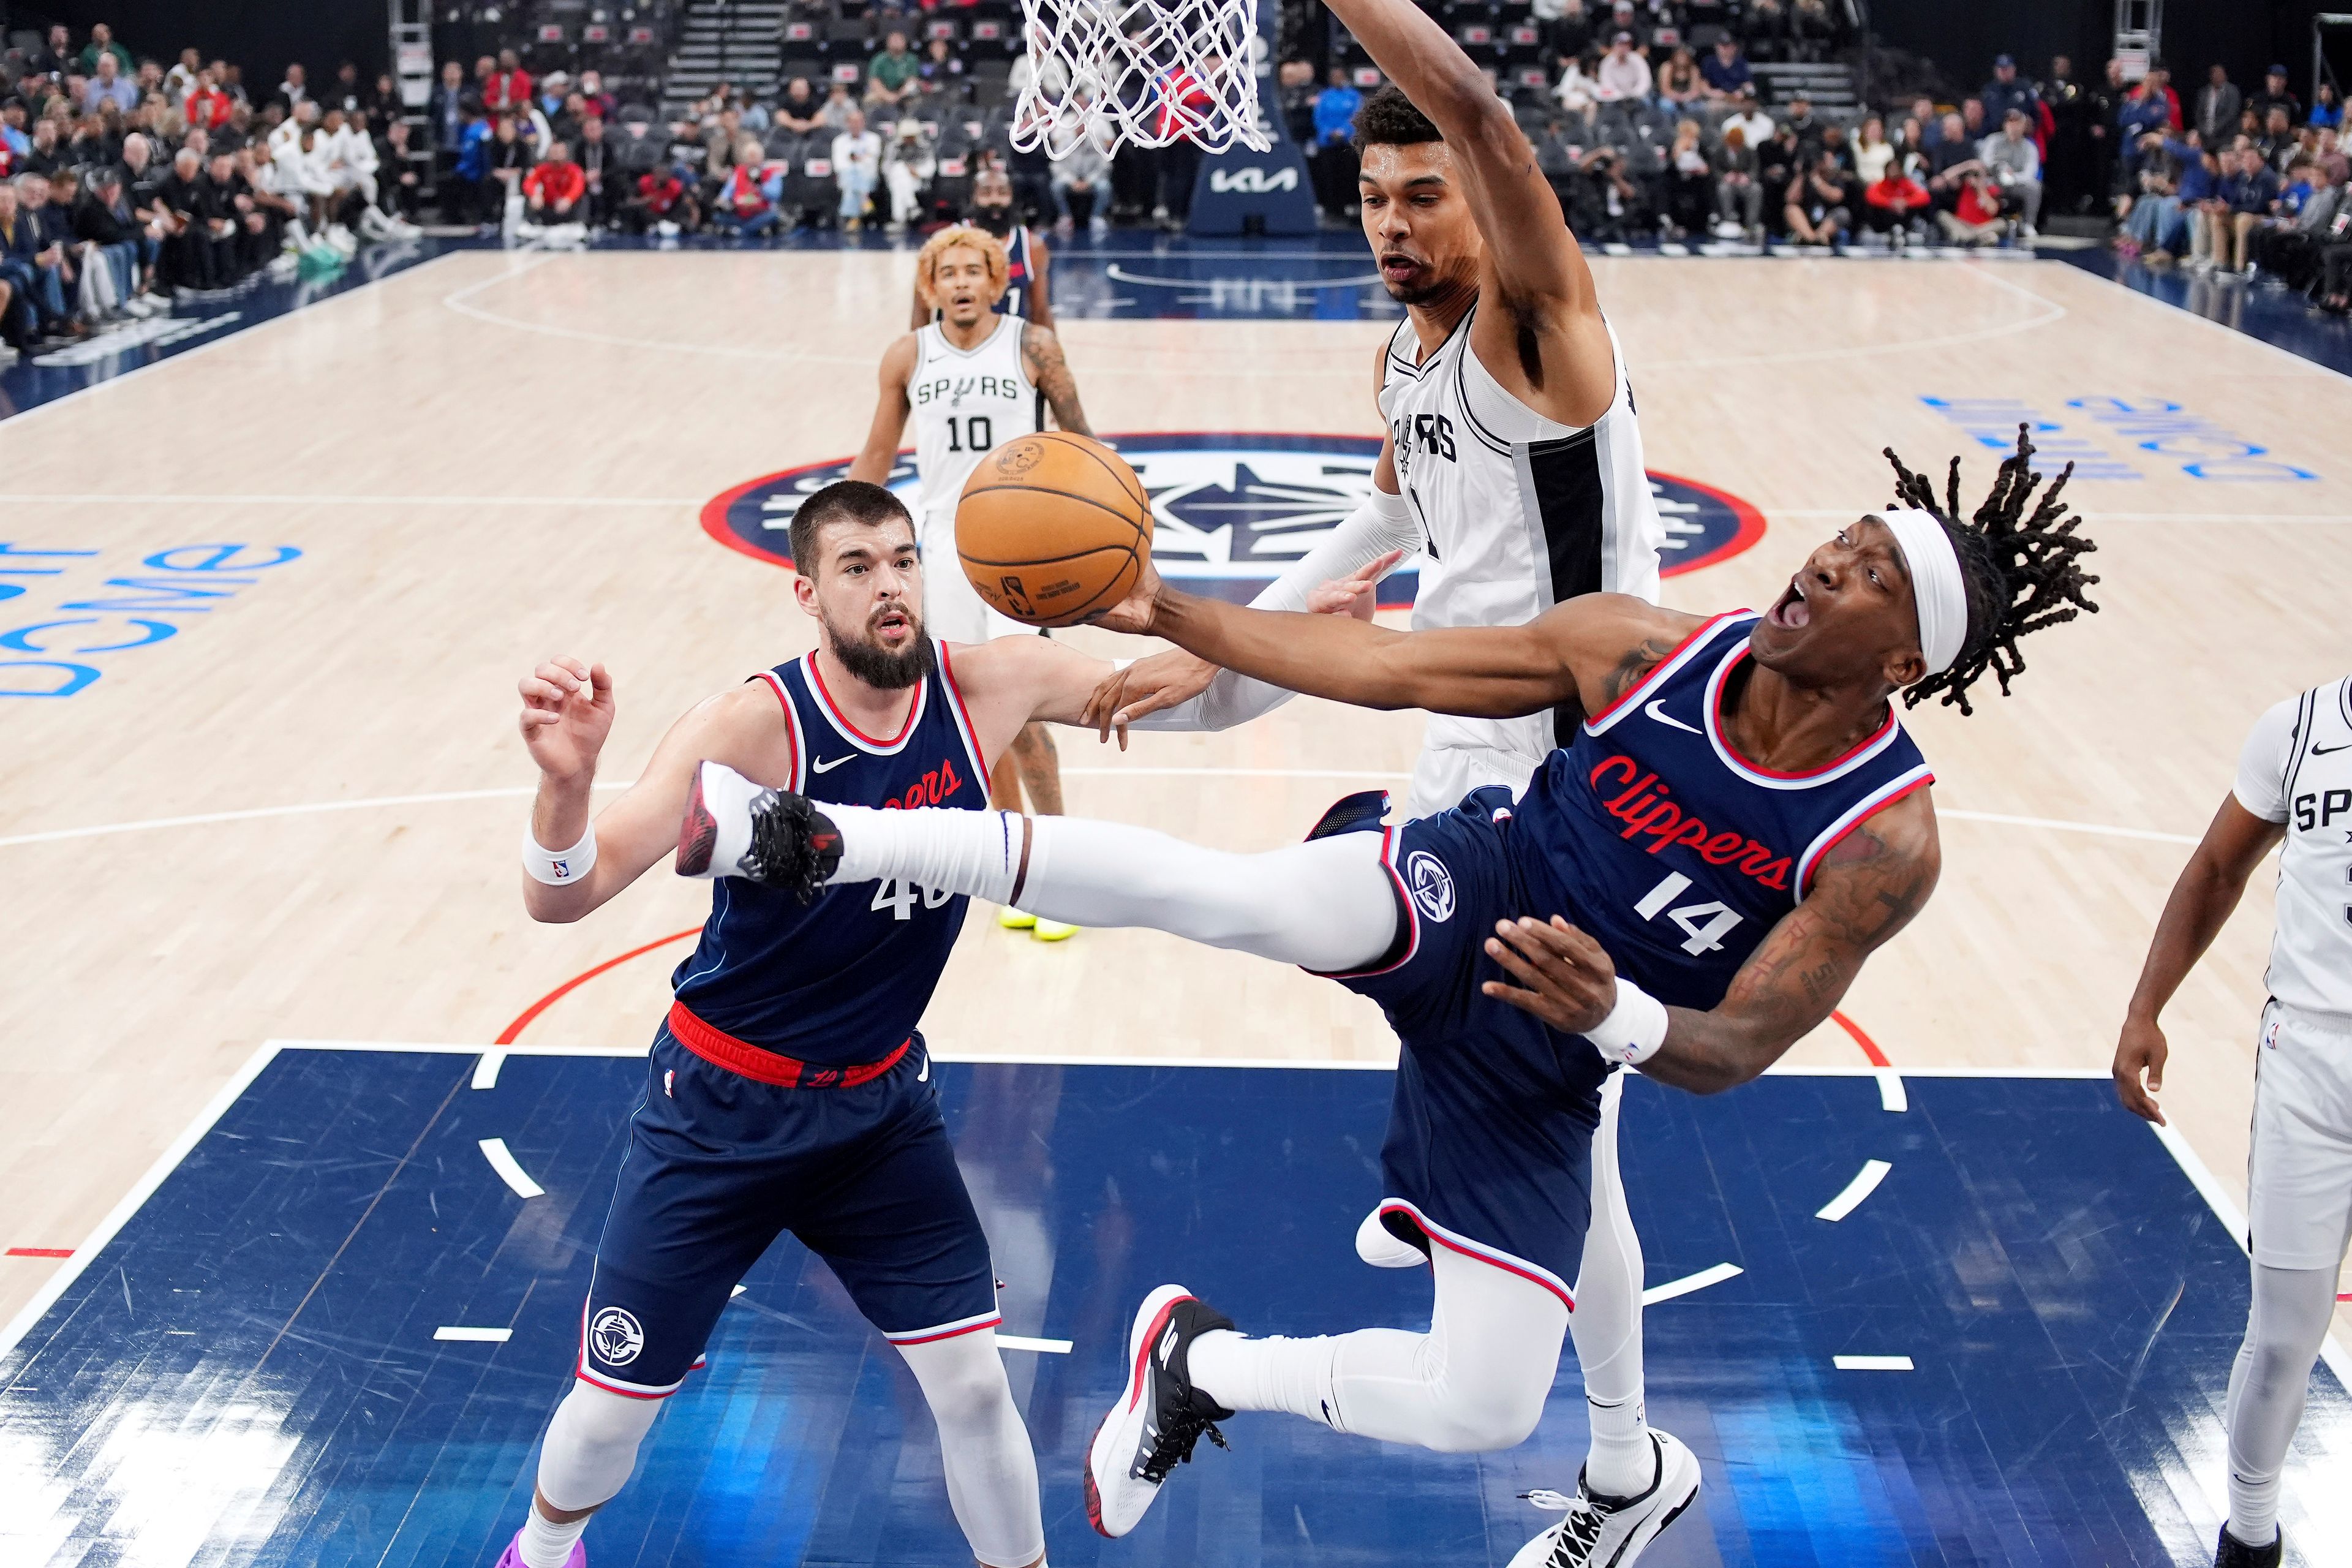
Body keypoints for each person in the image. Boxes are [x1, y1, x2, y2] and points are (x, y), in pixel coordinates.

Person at [696, 428, 2103, 1559]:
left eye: (1859, 573)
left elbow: (1738, 1043)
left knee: (1483, 1405)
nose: (1818, 566)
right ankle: (822, 834)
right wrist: (1170, 606)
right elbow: (1378, 662)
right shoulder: (1643, 645)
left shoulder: (1883, 836)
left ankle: (1201, 1363)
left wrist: (1612, 1010)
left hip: (1553, 1059)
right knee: (1229, 895)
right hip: (1475, 892)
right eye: (1835, 542)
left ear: (1904, 655)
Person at [1072, 0, 1676, 1553]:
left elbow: (1475, 103)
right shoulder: (1400, 355)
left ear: (1485, 203)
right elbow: (1383, 524)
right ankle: (1611, 1454)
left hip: (1575, 801)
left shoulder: (1536, 331)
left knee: (1551, 1111)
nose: (1397, 223)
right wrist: (1213, 661)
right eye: (1375, 198)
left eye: (1426, 195)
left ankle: (1591, 1443)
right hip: (1463, 774)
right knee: (1565, 1127)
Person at [492, 477, 1177, 1568]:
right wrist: (563, 790)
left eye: (903, 560)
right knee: (617, 1408)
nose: (889, 585)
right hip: (719, 1111)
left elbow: (1175, 693)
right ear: (808, 593)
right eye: (857, 569)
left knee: (971, 1382)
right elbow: (563, 892)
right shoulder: (755, 725)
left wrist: (1257, 628)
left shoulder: (989, 688)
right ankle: (541, 1545)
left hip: (876, 1112)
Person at [2113, 668, 2352, 1568]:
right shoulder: (2297, 729)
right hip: (2310, 1064)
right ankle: (2250, 1538)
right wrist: (2146, 1008)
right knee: (2287, 1332)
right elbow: (2217, 868)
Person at [856, 224, 1092, 933]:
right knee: (972, 712)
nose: (960, 283)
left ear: (998, 282)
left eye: (973, 271)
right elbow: (875, 454)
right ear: (929, 287)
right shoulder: (907, 355)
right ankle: (1017, 866)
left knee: (1021, 709)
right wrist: (835, 539)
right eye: (946, 273)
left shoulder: (1034, 347)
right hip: (940, 546)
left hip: (1019, 542)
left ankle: (1061, 868)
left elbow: (1083, 444)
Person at [911, 166, 1055, 330]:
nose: (995, 200)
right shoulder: (946, 243)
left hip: (1010, 348)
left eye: (1002, 193)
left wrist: (1051, 352)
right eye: (986, 193)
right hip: (957, 348)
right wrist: (919, 351)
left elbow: (1041, 312)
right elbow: (922, 309)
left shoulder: (1031, 245)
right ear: (973, 198)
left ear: (1012, 197)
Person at [1981, 107, 2044, 234]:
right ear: (2005, 125)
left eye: (2017, 123)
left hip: (2016, 184)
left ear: (2024, 126)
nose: (2014, 126)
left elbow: (2030, 173)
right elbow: (1985, 162)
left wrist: (2012, 177)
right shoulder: (1993, 140)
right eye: (2010, 122)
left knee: (2034, 187)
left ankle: (2028, 224)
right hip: (1994, 181)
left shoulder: (2030, 147)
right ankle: (1981, 221)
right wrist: (2000, 168)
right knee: (1981, 182)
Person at [832, 106, 880, 232]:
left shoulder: (874, 139)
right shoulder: (839, 142)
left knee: (856, 177)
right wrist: (858, 162)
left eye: (858, 122)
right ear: (847, 123)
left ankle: (853, 218)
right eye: (852, 122)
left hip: (869, 176)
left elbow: (872, 160)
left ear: (864, 122)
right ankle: (864, 201)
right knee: (851, 176)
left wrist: (857, 162)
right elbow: (839, 164)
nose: (855, 125)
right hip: (846, 176)